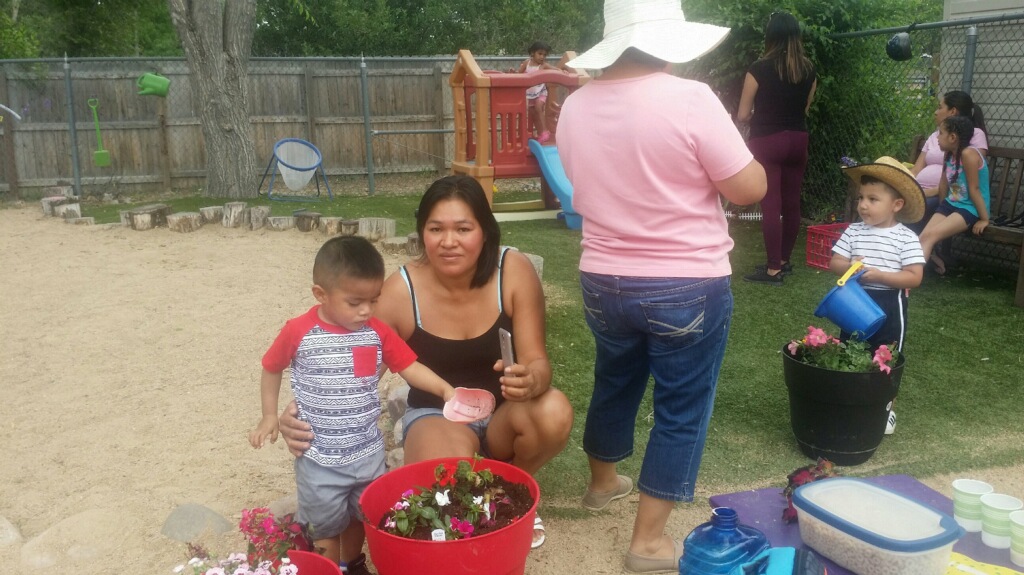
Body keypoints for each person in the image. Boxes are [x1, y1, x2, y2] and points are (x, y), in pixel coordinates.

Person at [557, 1, 767, 572]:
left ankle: (603, 483)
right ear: (670, 40)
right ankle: (648, 542)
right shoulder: (691, 98)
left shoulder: (574, 106)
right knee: (681, 407)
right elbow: (749, 188)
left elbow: (582, 180)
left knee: (615, 379)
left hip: (603, 277)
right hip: (685, 281)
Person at [278, 175, 574, 550]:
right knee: (444, 480)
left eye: (463, 228)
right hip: (437, 415)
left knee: (553, 411)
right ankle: (489, 498)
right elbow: (354, 370)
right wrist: (302, 411)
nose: (448, 241)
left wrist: (531, 379)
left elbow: (538, 361)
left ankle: (510, 489)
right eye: (436, 229)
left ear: (485, 230)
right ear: (422, 233)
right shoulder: (401, 291)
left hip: (505, 414)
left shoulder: (512, 271)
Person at [248, 235, 457, 571]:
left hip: (367, 454)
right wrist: (268, 416)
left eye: (373, 300)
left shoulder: (376, 331)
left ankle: (351, 563)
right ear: (321, 294)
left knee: (362, 516)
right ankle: (327, 568)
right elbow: (271, 367)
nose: (366, 310)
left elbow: (409, 367)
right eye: (355, 301)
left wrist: (446, 390)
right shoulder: (298, 331)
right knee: (324, 528)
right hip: (319, 460)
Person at [833, 157, 927, 433]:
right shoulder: (853, 231)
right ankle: (850, 401)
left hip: (889, 304)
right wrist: (850, 266)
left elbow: (914, 276)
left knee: (886, 357)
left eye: (873, 199)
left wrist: (882, 276)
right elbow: (834, 263)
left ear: (896, 205)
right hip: (854, 303)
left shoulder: (906, 238)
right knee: (850, 349)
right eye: (861, 198)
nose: (863, 205)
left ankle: (885, 408)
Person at [737, 11, 817, 285]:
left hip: (767, 140)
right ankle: (783, 260)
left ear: (771, 35)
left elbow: (743, 114)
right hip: (798, 139)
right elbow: (805, 107)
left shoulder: (759, 68)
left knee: (771, 203)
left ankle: (772, 269)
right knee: (792, 202)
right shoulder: (809, 70)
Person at [909, 90, 988, 243]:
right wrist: (906, 186)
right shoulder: (936, 136)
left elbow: (966, 178)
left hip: (947, 195)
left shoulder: (973, 135)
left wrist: (926, 193)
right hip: (928, 192)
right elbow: (916, 169)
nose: (935, 112)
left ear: (952, 111)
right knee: (895, 202)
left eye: (940, 107)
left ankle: (930, 259)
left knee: (917, 209)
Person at [918, 115, 991, 276]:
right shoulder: (949, 153)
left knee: (931, 236)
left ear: (952, 137)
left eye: (941, 133)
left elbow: (974, 189)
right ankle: (920, 267)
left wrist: (984, 219)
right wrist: (942, 208)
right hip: (951, 204)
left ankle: (911, 279)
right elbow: (944, 183)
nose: (937, 137)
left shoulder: (969, 155)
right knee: (923, 236)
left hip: (970, 208)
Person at [515, 41, 558, 143]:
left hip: (541, 92)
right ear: (533, 53)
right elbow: (518, 74)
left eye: (544, 55)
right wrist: (513, 73)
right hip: (530, 94)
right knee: (533, 113)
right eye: (540, 54)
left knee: (538, 106)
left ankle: (545, 131)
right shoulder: (527, 63)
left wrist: (562, 71)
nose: (542, 57)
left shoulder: (543, 66)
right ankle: (540, 134)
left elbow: (555, 69)